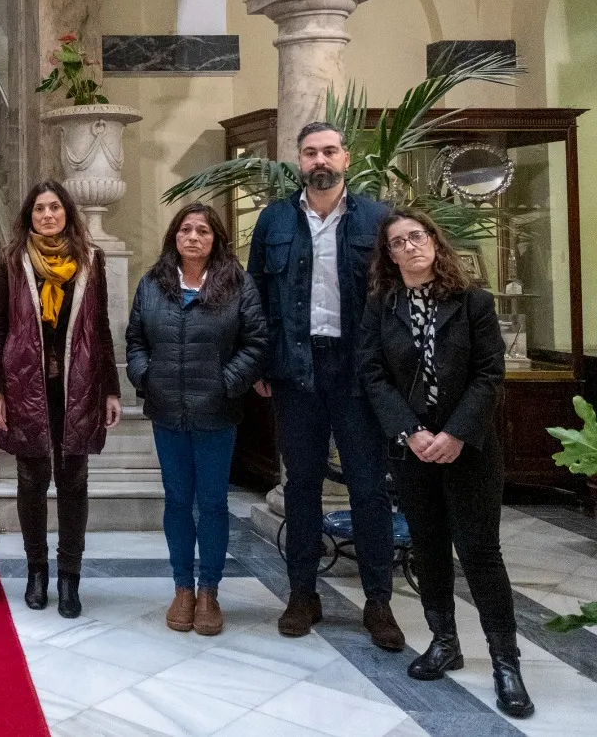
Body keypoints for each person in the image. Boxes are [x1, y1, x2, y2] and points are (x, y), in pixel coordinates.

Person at [359, 208, 533, 718]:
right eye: (398, 242)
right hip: (413, 449)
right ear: (388, 255)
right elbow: (372, 375)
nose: (411, 246)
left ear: (434, 243)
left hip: (469, 447)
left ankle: (506, 661)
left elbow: (489, 374)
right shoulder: (382, 306)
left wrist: (455, 433)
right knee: (429, 547)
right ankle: (444, 641)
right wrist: (411, 433)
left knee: (479, 551)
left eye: (418, 237)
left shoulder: (473, 302)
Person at [246, 122, 404, 650]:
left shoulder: (377, 219)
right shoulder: (274, 220)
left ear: (346, 158)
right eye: (311, 151)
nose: (321, 159)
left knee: (368, 487)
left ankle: (378, 601)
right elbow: (257, 299)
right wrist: (263, 365)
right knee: (303, 487)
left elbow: (395, 298)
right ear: (298, 159)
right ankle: (302, 593)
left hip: (359, 372)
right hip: (295, 369)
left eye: (329, 151)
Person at [126, 203, 267, 636]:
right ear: (174, 237)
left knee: (212, 504)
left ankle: (209, 591)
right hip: (167, 410)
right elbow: (135, 340)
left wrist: (227, 382)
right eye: (185, 229)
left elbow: (256, 341)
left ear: (215, 239)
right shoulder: (153, 284)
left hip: (217, 412)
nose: (193, 237)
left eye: (202, 231)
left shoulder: (238, 284)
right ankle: (182, 587)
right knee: (176, 501)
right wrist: (146, 376)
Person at [0, 180, 122, 618]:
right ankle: (37, 571)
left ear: (67, 213)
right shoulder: (12, 260)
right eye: (40, 209)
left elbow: (99, 328)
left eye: (55, 208)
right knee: (30, 483)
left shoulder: (90, 260)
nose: (47, 215)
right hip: (26, 389)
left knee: (74, 483)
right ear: (30, 215)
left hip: (78, 388)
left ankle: (69, 577)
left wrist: (111, 389)